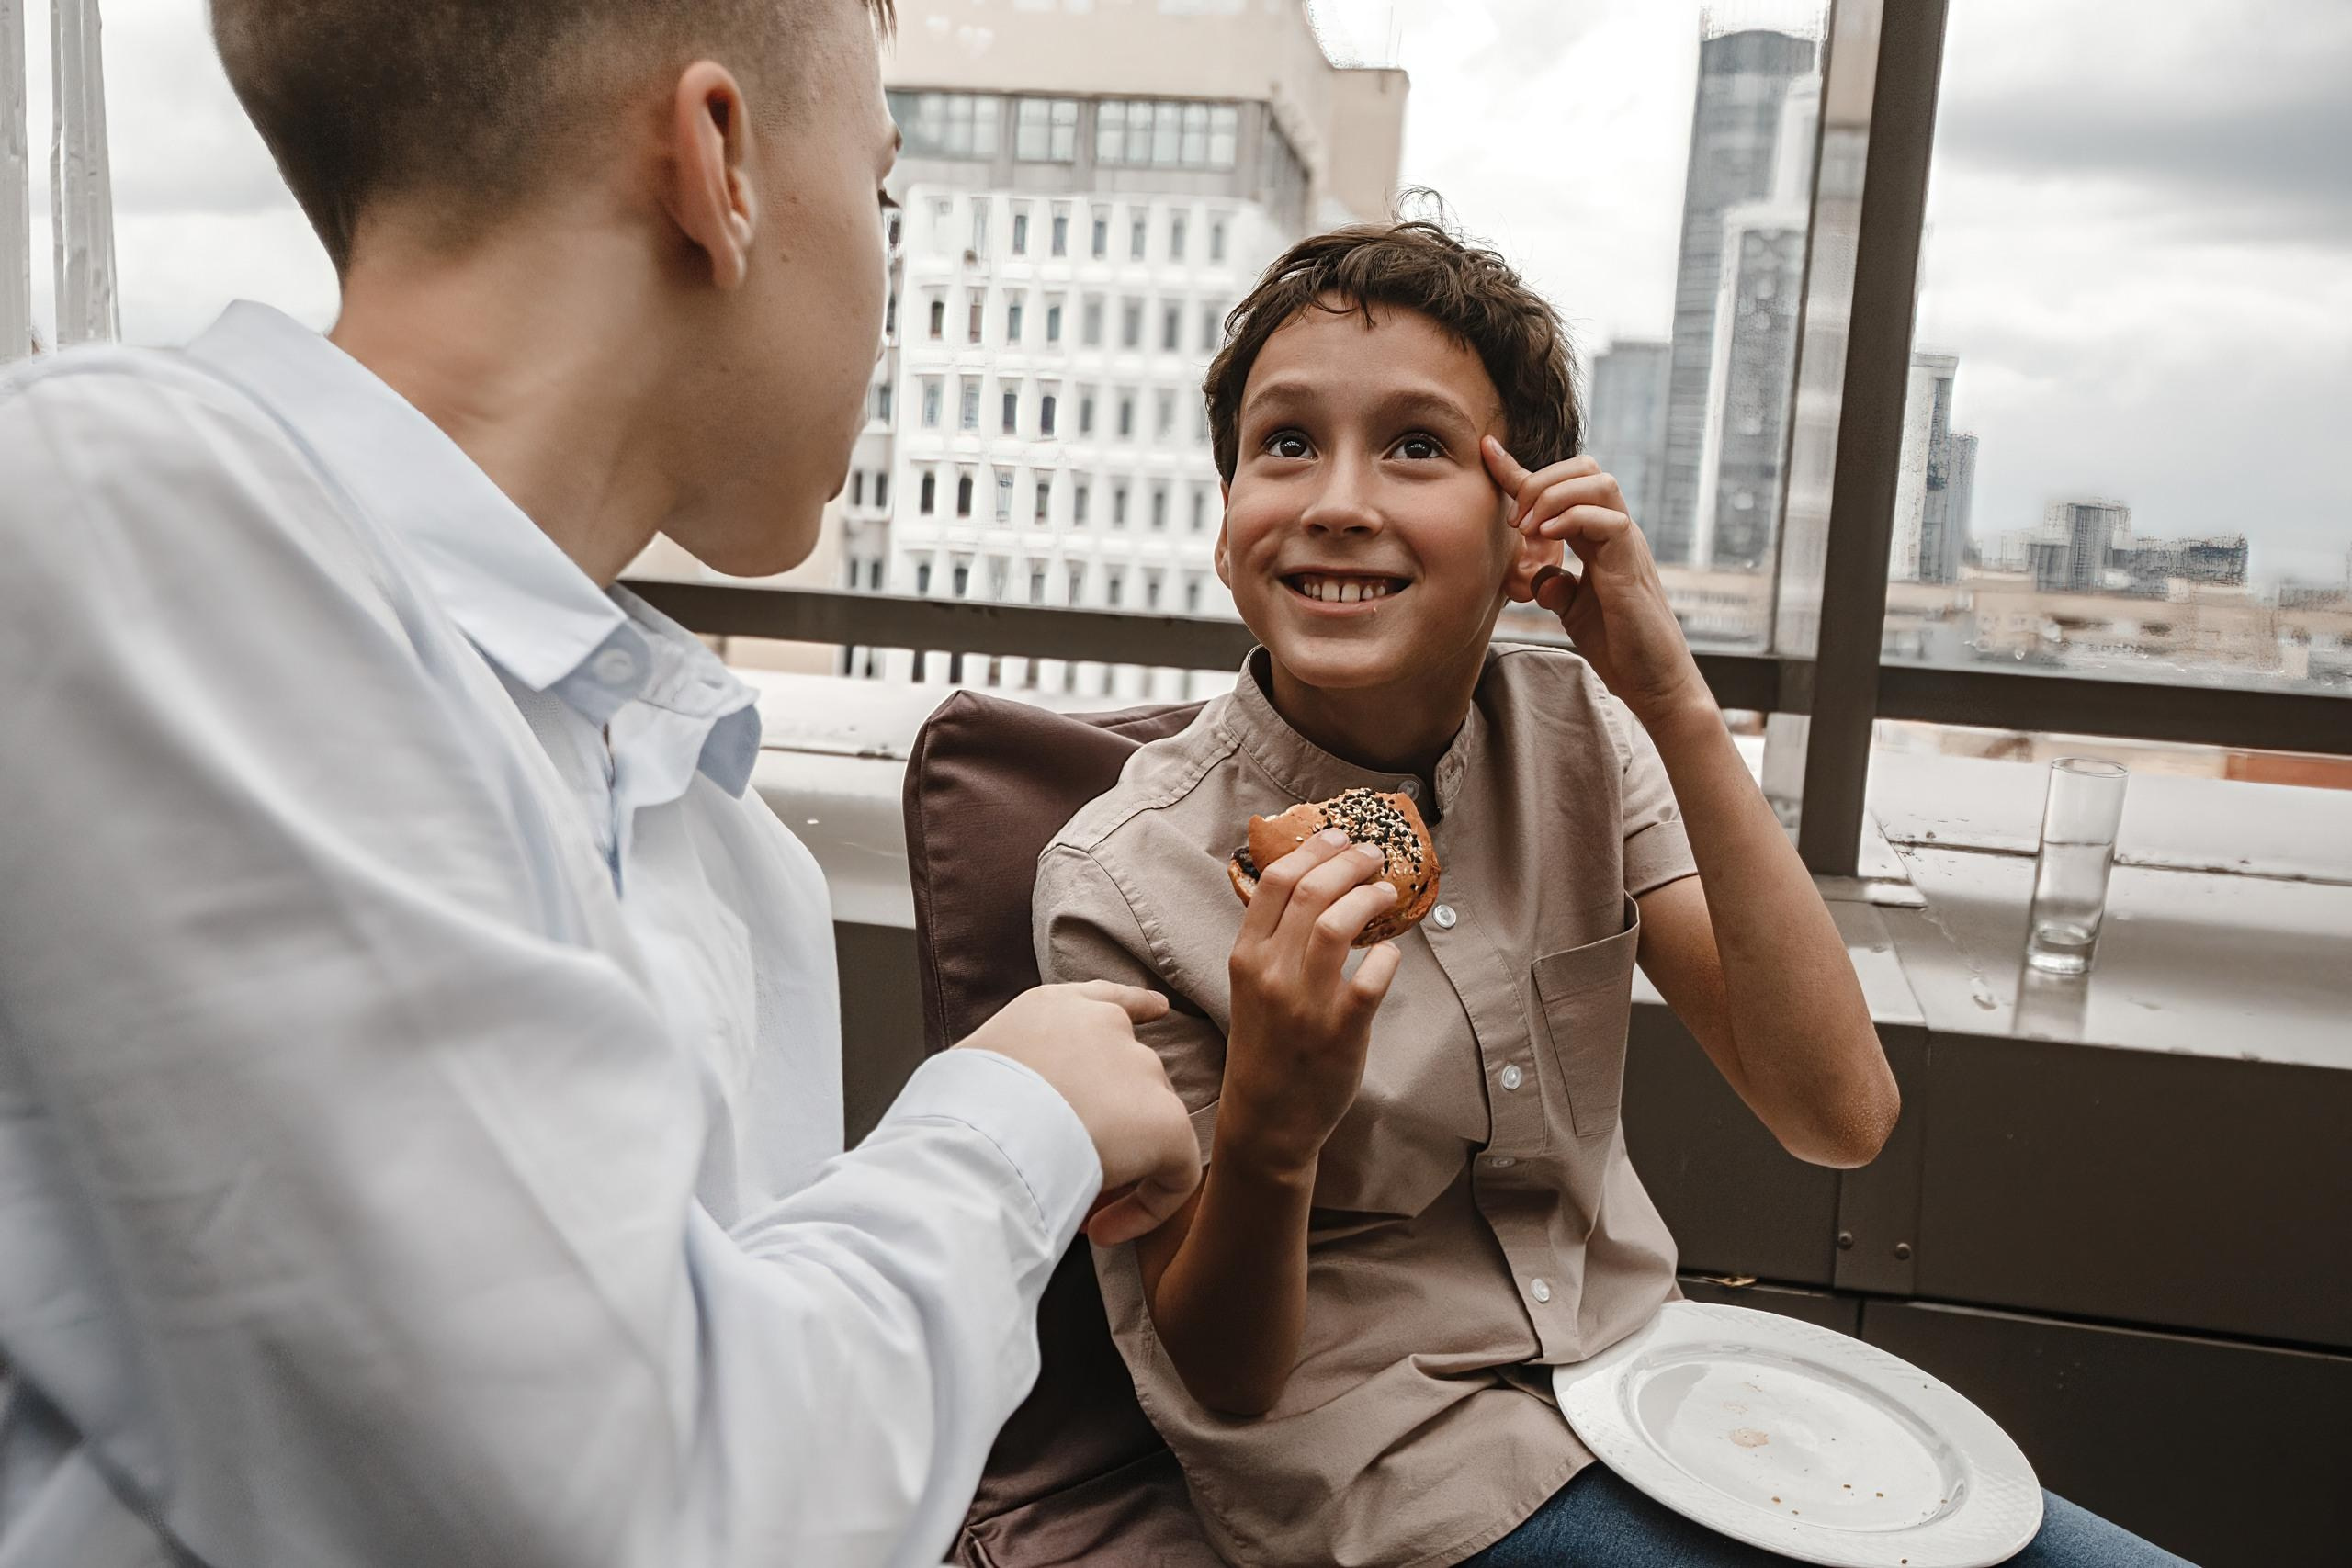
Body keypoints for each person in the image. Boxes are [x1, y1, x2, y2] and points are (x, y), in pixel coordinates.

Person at [0, 3, 1199, 1565]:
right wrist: (1021, 1120)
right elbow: (658, 1510)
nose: (889, 267)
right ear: (719, 166)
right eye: (883, 189)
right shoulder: (131, 529)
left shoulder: (728, 846)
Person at [1032, 222, 2188, 1566]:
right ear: (1228, 514)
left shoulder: (1583, 733)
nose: (1337, 499)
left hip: (1651, 1391)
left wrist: (1671, 692)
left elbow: (1837, 1116)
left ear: (1527, 525)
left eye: (1415, 447)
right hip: (1398, 1480)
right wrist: (1275, 1125)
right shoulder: (1121, 878)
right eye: (1285, 443)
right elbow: (1225, 1380)